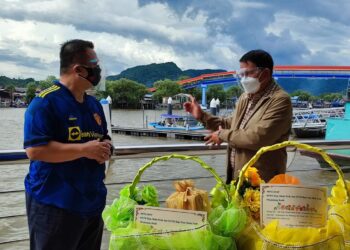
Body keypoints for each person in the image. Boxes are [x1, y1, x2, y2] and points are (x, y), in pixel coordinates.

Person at [23, 39, 113, 250]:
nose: (99, 71)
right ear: (79, 70)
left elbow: (103, 137)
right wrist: (85, 150)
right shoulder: (45, 103)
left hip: (91, 202)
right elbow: (35, 150)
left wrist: (106, 147)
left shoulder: (94, 104)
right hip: (54, 204)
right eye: (95, 66)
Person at [184, 49, 292, 183]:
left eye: (248, 73)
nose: (244, 79)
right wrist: (202, 116)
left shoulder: (280, 100)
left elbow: (257, 138)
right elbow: (232, 124)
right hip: (238, 178)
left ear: (265, 73)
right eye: (241, 74)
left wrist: (221, 135)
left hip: (263, 182)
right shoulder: (245, 97)